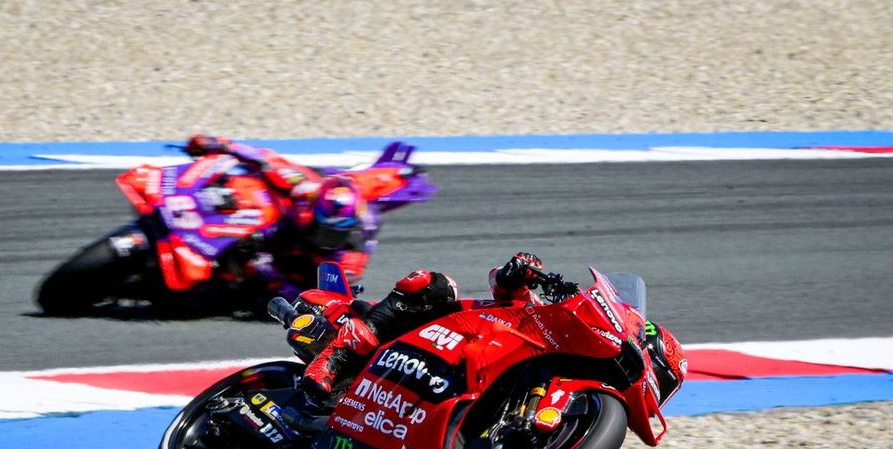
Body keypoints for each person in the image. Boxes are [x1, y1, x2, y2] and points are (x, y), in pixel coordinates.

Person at [301, 251, 685, 407]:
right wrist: (519, 270)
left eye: (662, 388)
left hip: (429, 396)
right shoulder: (552, 327)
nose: (655, 386)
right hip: (432, 335)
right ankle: (333, 360)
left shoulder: (582, 400)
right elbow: (509, 292)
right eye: (660, 376)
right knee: (434, 284)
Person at [184, 134, 371, 302]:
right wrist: (221, 144)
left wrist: (274, 279)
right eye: (323, 230)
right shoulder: (304, 189)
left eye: (334, 234)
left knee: (232, 296)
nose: (326, 240)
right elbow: (266, 159)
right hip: (283, 234)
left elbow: (332, 300)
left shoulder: (351, 257)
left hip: (301, 275)